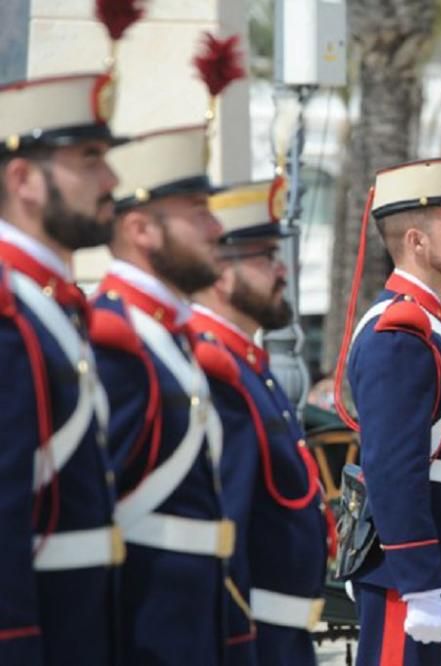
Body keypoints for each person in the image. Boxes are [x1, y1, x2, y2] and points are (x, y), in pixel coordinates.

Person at [342, 158, 441, 664]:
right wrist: (418, 580)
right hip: (409, 577)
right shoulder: (401, 331)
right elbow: (392, 464)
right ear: (416, 241)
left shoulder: (435, 327)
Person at [88, 125, 230, 663]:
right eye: (198, 211)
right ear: (142, 229)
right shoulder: (116, 341)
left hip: (189, 624)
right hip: (143, 631)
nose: (218, 228)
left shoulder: (164, 335)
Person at [0, 73, 125, 665]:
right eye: (90, 160)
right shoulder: (10, 309)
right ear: (23, 179)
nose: (113, 181)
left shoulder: (49, 304)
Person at [189, 180, 329, 665]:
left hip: (282, 632)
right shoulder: (217, 369)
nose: (282, 272)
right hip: (253, 634)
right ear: (222, 275)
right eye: (265, 257)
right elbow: (226, 530)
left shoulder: (248, 366)